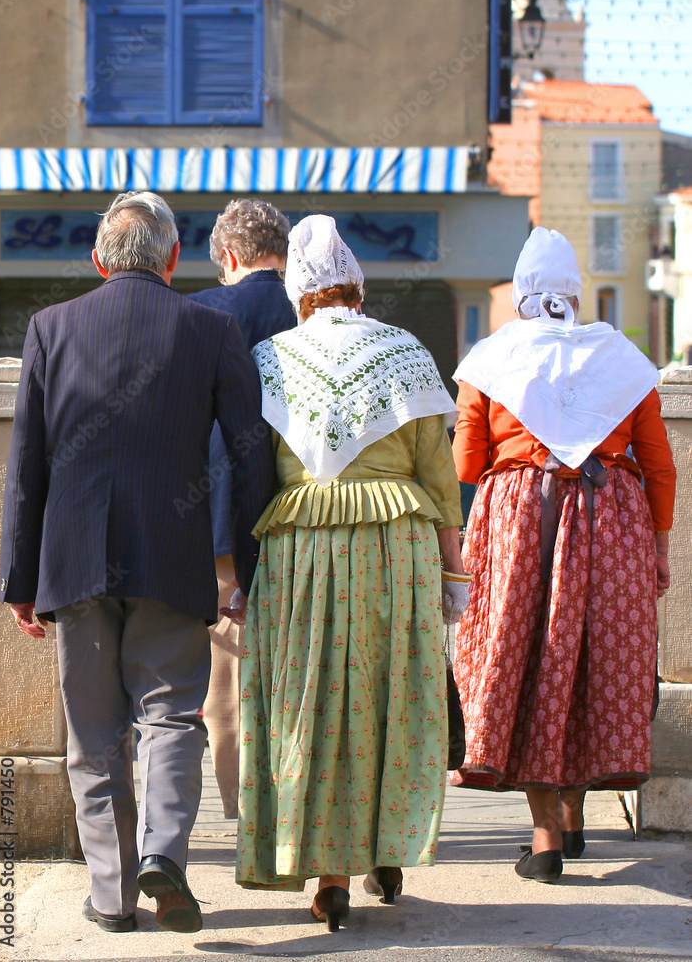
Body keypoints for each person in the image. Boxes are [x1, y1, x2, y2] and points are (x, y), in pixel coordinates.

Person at [0, 191, 274, 934]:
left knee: (93, 738)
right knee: (172, 719)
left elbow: (25, 466)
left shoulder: (51, 328)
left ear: (97, 260)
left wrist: (18, 581)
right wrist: (249, 571)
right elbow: (250, 459)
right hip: (174, 560)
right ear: (174, 259)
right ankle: (166, 857)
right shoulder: (211, 329)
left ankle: (114, 896)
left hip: (75, 561)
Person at [234, 215, 469, 932]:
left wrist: (233, 570)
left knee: (311, 700)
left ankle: (329, 874)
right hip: (391, 540)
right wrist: (454, 575)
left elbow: (248, 473)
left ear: (300, 292)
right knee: (386, 693)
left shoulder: (269, 356)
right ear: (355, 285)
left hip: (299, 543)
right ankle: (385, 843)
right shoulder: (404, 351)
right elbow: (438, 475)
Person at [450, 227, 676, 883]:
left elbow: (467, 462)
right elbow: (658, 466)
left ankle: (546, 833)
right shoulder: (621, 359)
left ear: (520, 297)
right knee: (585, 662)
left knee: (522, 662)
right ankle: (573, 820)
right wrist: (656, 548)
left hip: (520, 521)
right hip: (614, 524)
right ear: (575, 296)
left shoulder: (491, 359)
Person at [187, 198, 295, 819]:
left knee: (226, 672)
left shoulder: (200, 310)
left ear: (228, 256)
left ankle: (243, 805)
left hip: (218, 515)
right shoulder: (317, 311)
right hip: (305, 512)